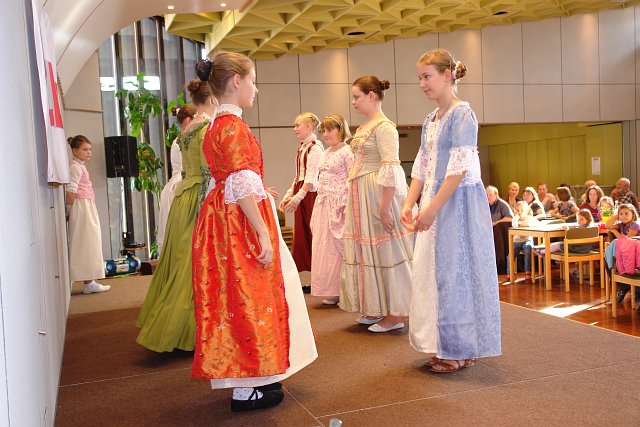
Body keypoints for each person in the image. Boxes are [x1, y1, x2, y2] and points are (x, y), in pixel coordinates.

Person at [192, 52, 316, 412]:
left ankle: (254, 377)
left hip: (225, 220)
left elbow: (236, 180)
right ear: (236, 81)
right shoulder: (231, 126)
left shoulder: (217, 124)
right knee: (250, 296)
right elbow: (240, 182)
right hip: (239, 225)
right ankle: (248, 385)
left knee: (236, 297)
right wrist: (262, 232)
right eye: (253, 81)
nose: (256, 89)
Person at [402, 49, 501, 373]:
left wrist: (431, 208)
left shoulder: (462, 114)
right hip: (435, 200)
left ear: (447, 75)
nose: (422, 83)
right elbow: (422, 166)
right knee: (432, 275)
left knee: (455, 274)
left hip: (456, 204)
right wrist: (409, 203)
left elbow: (458, 169)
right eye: (420, 78)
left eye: (427, 76)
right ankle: (444, 344)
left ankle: (459, 348)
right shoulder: (431, 120)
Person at [135, 80, 215, 352]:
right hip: (199, 196)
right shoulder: (207, 128)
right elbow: (211, 170)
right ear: (212, 98)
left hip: (184, 196)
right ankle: (186, 330)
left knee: (180, 260)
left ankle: (172, 323)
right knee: (191, 265)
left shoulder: (187, 129)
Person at [340, 74, 413, 333]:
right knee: (368, 250)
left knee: (388, 249)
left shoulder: (384, 127)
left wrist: (384, 207)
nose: (353, 102)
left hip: (378, 194)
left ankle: (397, 314)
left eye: (356, 97)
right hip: (362, 193)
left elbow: (391, 167)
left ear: (371, 96)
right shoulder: (364, 127)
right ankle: (377, 306)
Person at [309, 114, 354, 305]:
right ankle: (333, 290)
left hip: (339, 204)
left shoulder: (347, 151)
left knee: (340, 247)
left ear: (340, 130)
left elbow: (352, 178)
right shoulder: (326, 152)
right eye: (323, 131)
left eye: (330, 130)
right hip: (323, 203)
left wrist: (344, 203)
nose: (326, 134)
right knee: (325, 249)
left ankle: (347, 289)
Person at [279, 112, 324, 275]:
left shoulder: (315, 148)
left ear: (309, 126)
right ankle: (308, 273)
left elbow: (311, 178)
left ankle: (319, 273)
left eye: (297, 125)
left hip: (311, 195)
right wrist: (288, 195)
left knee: (313, 233)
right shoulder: (302, 148)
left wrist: (298, 197)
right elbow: (299, 176)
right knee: (302, 235)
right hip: (303, 191)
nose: (295, 129)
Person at [66, 135, 110, 294]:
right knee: (87, 242)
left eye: (90, 149)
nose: (89, 152)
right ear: (74, 150)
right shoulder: (75, 167)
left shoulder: (80, 166)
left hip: (86, 205)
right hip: (81, 206)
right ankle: (88, 281)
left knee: (90, 242)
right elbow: (71, 191)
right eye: (85, 149)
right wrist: (69, 210)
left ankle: (89, 281)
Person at [157, 104, 196, 254]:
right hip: (183, 183)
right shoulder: (183, 141)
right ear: (188, 120)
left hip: (178, 183)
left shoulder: (179, 140)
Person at [604, 203, 640, 304]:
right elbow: (607, 225)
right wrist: (616, 216)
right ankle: (622, 287)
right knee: (608, 259)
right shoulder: (621, 225)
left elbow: (626, 241)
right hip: (625, 253)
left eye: (626, 213)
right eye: (621, 214)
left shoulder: (635, 225)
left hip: (635, 253)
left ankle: (631, 292)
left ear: (633, 214)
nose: (623, 216)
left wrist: (615, 231)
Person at [507, 201, 538, 284]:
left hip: (527, 240)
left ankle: (527, 272)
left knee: (528, 250)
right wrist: (516, 218)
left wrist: (526, 225)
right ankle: (510, 272)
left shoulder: (529, 218)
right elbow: (514, 226)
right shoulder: (515, 219)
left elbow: (536, 224)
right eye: (517, 210)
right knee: (510, 255)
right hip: (517, 241)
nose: (519, 212)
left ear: (526, 211)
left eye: (521, 210)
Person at [486, 185, 512, 277]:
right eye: (486, 195)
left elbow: (510, 218)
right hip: (488, 230)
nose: (488, 197)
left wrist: (496, 222)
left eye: (490, 195)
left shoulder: (502, 204)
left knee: (497, 228)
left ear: (496, 195)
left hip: (501, 232)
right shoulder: (484, 205)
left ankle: (499, 263)